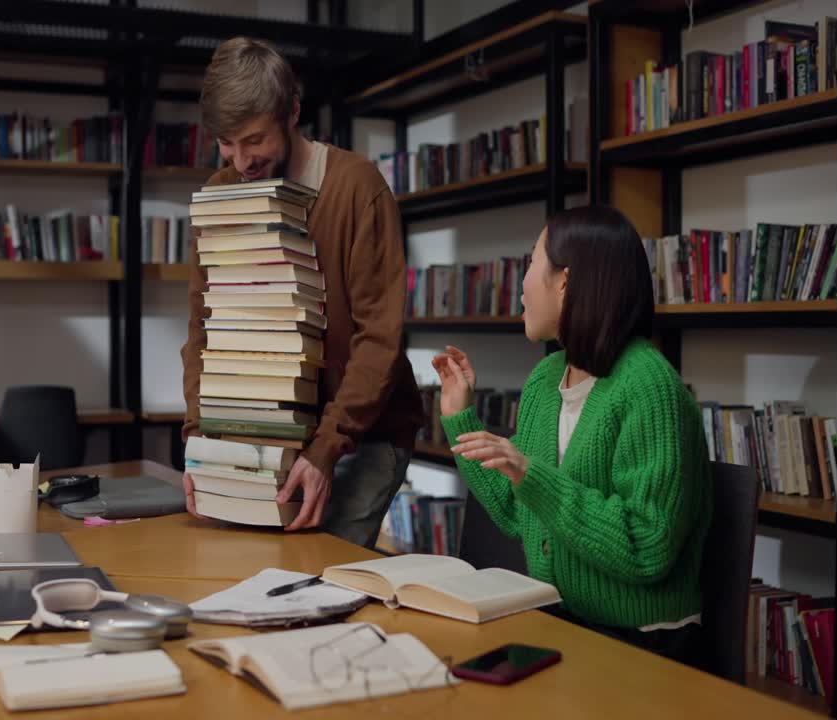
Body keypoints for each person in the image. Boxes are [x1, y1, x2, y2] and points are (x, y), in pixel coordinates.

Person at [432, 205, 712, 666]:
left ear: (565, 281)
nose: (521, 283)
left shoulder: (649, 387)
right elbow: (520, 514)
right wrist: (461, 417)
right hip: (563, 619)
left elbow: (647, 546)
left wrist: (531, 473)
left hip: (642, 643)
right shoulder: (545, 378)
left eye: (531, 263)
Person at [180, 37, 424, 548]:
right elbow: (204, 330)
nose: (241, 160)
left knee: (321, 568)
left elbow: (379, 338)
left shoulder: (357, 188)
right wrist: (200, 442)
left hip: (363, 432)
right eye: (226, 143)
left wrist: (326, 448)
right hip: (266, 435)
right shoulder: (221, 193)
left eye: (254, 140)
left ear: (292, 112)